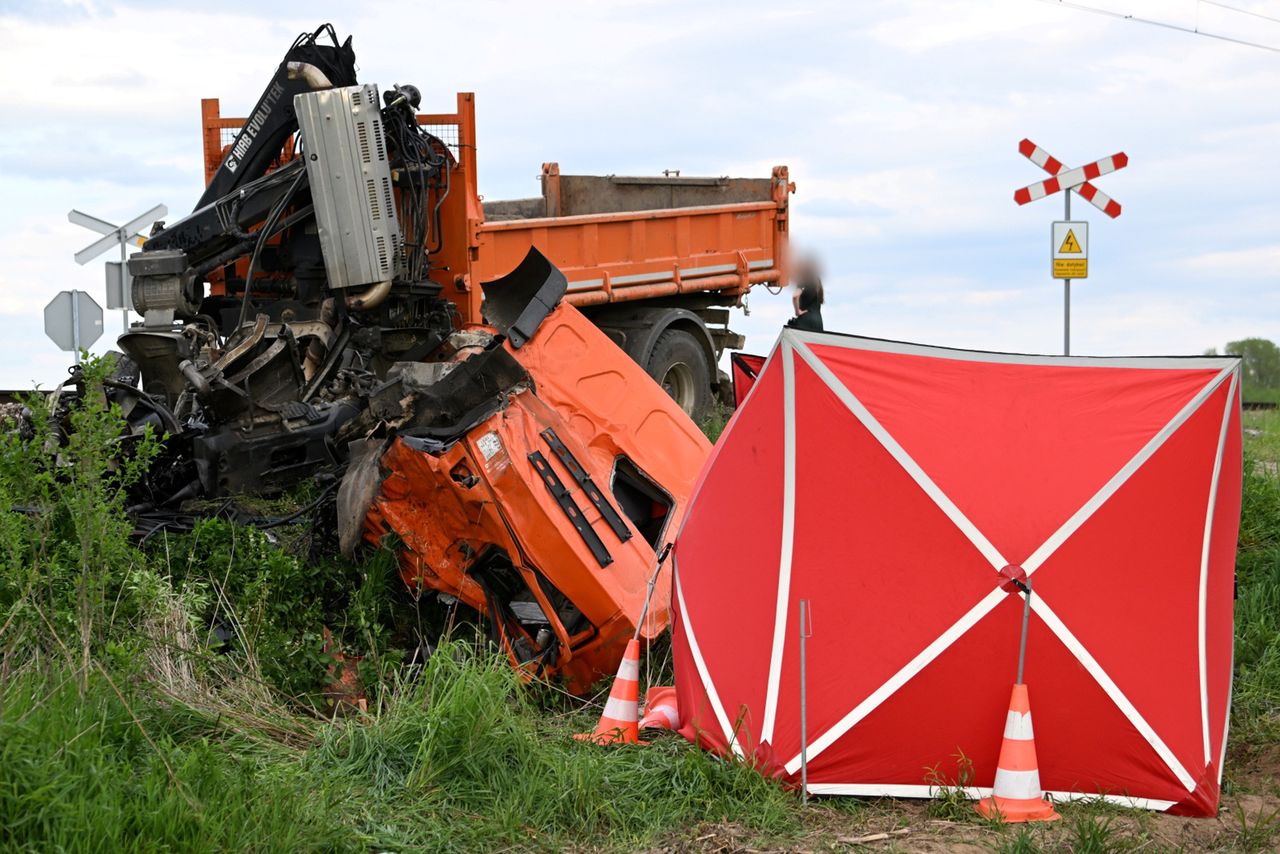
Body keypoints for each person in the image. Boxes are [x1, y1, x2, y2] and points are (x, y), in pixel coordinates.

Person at [787, 256, 824, 332]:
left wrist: (797, 312)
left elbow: (795, 296)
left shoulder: (804, 281)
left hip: (805, 319)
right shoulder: (817, 282)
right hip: (818, 321)